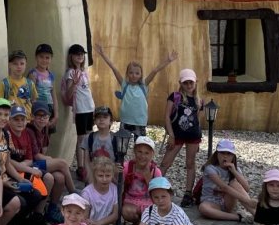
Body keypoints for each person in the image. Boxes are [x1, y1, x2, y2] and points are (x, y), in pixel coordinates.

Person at [96, 46, 177, 138]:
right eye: (131, 72)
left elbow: (155, 70)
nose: (134, 75)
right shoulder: (124, 85)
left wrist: (168, 60)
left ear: (141, 74)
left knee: (140, 144)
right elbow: (114, 68)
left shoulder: (143, 85)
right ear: (127, 74)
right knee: (122, 144)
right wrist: (103, 54)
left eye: (137, 73)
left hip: (140, 122)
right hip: (125, 120)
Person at [7, 105, 67, 224]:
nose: (20, 122)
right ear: (9, 120)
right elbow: (8, 161)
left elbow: (29, 159)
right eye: (16, 119)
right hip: (12, 170)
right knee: (61, 164)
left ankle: (38, 215)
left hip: (24, 167)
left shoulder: (26, 133)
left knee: (51, 177)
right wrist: (28, 169)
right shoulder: (7, 134)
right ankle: (73, 192)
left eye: (22, 119)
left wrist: (23, 166)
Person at [0, 98, 36, 225]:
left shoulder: (6, 134)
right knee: (20, 201)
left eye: (6, 114)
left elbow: (7, 163)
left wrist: (20, 179)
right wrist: (5, 183)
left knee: (34, 194)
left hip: (4, 178)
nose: (3, 118)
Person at [160, 68, 204, 206]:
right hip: (177, 135)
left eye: (191, 82)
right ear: (181, 83)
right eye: (186, 83)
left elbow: (197, 121)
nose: (189, 85)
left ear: (195, 82)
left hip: (193, 136)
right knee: (166, 162)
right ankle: (155, 186)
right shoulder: (175, 97)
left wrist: (199, 140)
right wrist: (171, 135)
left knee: (190, 163)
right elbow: (167, 116)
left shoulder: (199, 101)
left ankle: (188, 193)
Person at [60, 44, 96, 182]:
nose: (80, 56)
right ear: (71, 56)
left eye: (82, 54)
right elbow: (69, 94)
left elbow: (87, 91)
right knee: (81, 138)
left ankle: (87, 164)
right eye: (77, 54)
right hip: (80, 109)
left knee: (88, 136)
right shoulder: (71, 72)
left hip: (89, 107)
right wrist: (74, 83)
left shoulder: (83, 71)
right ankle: (81, 166)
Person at [197, 139, 255, 222]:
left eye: (229, 154)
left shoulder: (235, 169)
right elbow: (224, 187)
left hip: (227, 202)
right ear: (217, 154)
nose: (225, 156)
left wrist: (234, 172)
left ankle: (256, 215)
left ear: (233, 156)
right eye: (222, 153)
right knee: (203, 208)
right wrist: (248, 201)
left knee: (234, 183)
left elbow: (246, 188)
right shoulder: (210, 168)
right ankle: (239, 217)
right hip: (211, 202)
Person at [120, 135, 162, 225]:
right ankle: (139, 224)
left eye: (147, 153)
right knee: (127, 211)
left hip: (148, 201)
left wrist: (149, 180)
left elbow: (159, 193)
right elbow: (118, 184)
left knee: (155, 213)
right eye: (140, 152)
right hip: (130, 200)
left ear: (152, 154)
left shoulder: (155, 171)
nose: (142, 156)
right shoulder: (127, 167)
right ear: (134, 151)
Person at [82, 157, 120, 225]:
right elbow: (83, 221)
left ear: (112, 175)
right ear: (94, 175)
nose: (104, 179)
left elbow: (115, 215)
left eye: (108, 176)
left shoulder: (114, 189)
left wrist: (98, 223)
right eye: (100, 176)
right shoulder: (87, 193)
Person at [28, 44, 56, 124]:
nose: (44, 60)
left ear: (51, 59)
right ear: (36, 57)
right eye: (41, 57)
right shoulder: (33, 74)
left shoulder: (51, 75)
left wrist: (56, 115)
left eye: (47, 57)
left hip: (50, 108)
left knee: (49, 130)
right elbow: (31, 96)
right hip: (38, 109)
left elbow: (54, 96)